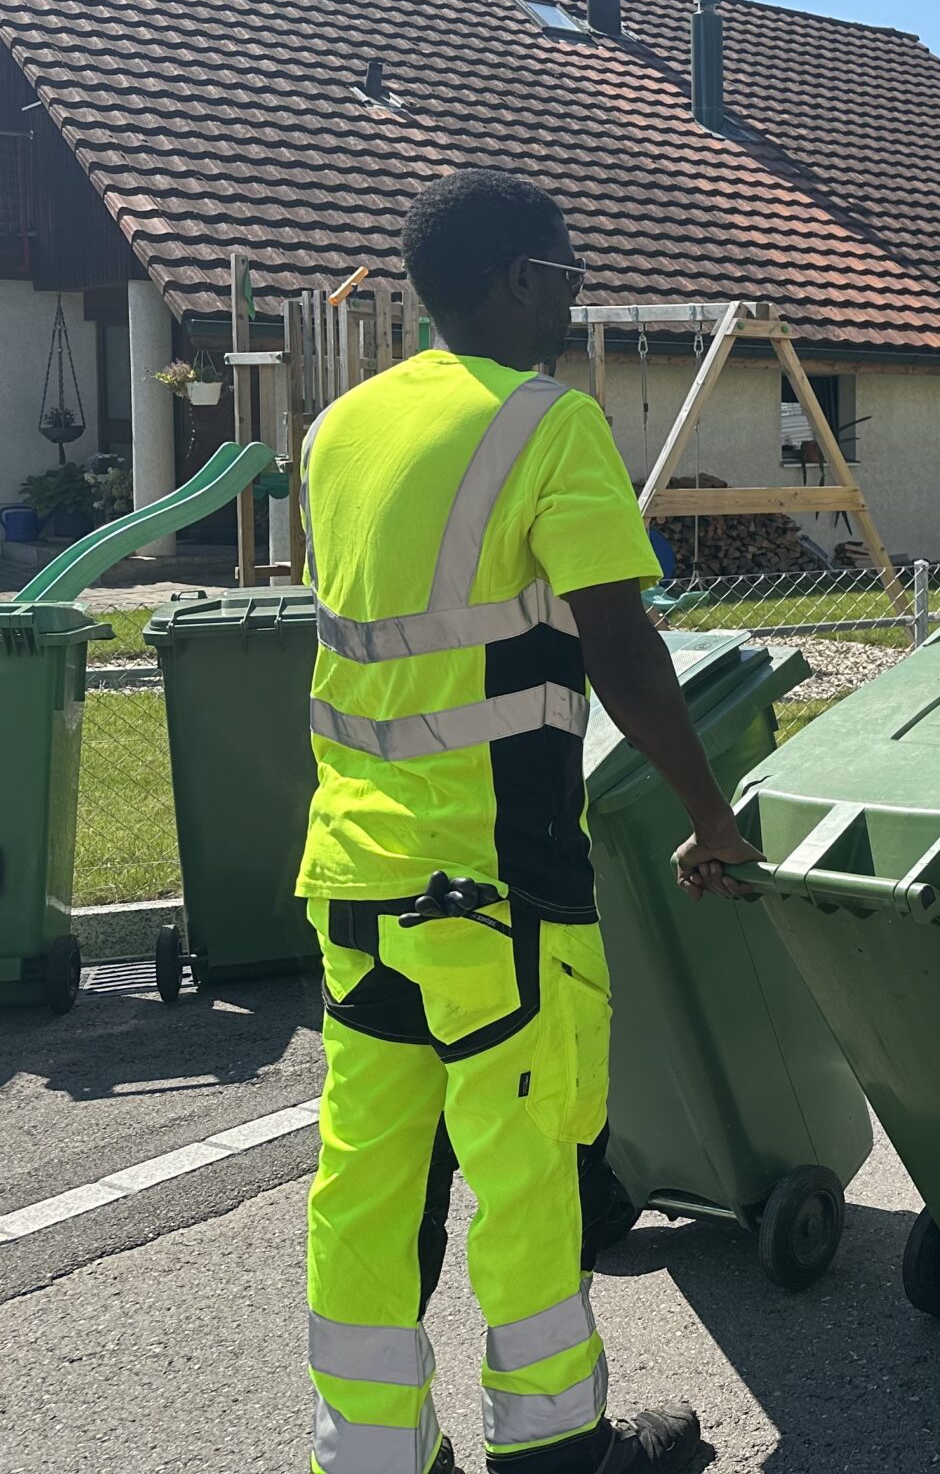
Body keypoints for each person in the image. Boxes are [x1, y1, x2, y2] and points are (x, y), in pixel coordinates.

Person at [298, 169, 761, 1474]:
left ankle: (375, 1455)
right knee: (523, 1175)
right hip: (495, 887)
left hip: (354, 875)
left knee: (369, 1184)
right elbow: (617, 638)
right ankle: (556, 1449)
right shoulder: (547, 425)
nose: (576, 293)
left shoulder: (338, 431)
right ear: (519, 280)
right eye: (567, 271)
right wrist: (711, 816)